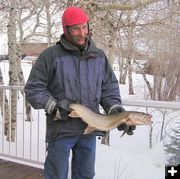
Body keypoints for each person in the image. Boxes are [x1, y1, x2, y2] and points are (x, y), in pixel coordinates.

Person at [24, 6, 136, 179]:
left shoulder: (98, 56)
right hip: (61, 129)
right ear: (66, 30)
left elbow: (109, 88)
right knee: (56, 175)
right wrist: (53, 106)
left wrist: (115, 110)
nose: (82, 32)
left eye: (84, 27)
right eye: (76, 28)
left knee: (85, 175)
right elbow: (33, 88)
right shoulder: (50, 56)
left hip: (89, 130)